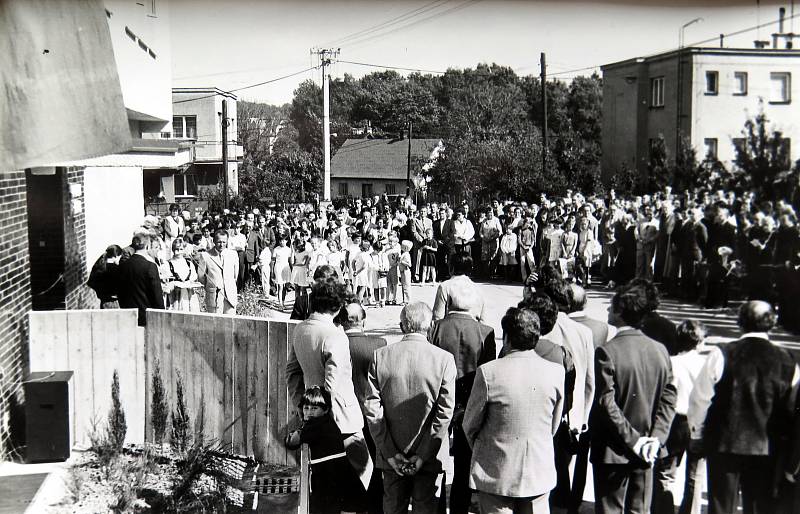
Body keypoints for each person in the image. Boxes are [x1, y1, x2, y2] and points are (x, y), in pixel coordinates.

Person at [687, 300, 799, 514]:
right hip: (766, 447)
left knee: (721, 505)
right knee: (758, 506)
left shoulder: (723, 353)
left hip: (724, 442)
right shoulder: (788, 360)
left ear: (740, 323)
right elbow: (792, 406)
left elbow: (700, 399)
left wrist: (697, 434)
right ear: (772, 324)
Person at [462, 307, 565, 514]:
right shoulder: (556, 372)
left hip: (495, 473)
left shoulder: (489, 372)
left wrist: (489, 450)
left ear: (507, 338)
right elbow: (553, 425)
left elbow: (470, 424)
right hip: (537, 471)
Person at [591, 281, 677, 514]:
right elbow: (669, 399)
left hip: (614, 451)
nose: (608, 310)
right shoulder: (660, 350)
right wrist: (655, 439)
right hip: (648, 449)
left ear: (620, 311)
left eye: (611, 306)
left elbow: (606, 403)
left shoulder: (608, 351)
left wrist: (634, 440)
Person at [364, 302, 456, 514]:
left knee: (393, 508)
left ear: (401, 325)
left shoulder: (381, 356)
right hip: (429, 456)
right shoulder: (444, 360)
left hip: (391, 454)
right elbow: (444, 413)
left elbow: (372, 410)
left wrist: (390, 453)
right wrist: (423, 454)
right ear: (430, 326)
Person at [286, 279, 373, 497]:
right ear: (337, 306)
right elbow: (332, 384)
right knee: (364, 475)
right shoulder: (335, 335)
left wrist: (304, 407)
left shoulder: (300, 330)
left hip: (314, 415)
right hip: (342, 418)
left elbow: (292, 373)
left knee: (328, 483)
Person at [429, 291, 496, 514]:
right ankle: (459, 506)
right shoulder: (485, 332)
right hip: (470, 402)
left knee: (436, 453)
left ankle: (438, 505)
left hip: (440, 399)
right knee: (464, 460)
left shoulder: (436, 327)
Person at [651, 320, 709, 514]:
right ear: (699, 342)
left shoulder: (671, 362)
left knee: (665, 473)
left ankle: (663, 510)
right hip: (699, 420)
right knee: (695, 476)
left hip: (674, 420)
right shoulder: (706, 365)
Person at [338, 301, 388, 514]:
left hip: (344, 415)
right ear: (364, 321)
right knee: (374, 467)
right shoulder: (380, 344)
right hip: (371, 414)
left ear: (341, 321)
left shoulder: (336, 344)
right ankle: (373, 505)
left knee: (348, 466)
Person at [285, 386, 367, 514]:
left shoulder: (315, 425)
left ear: (326, 410)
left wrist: (296, 432)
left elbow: (292, 443)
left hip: (329, 478)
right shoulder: (328, 421)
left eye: (314, 408)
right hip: (339, 475)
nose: (309, 412)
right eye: (306, 408)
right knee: (347, 507)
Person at [118, 233, 165, 326]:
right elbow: (157, 295)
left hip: (128, 314)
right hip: (146, 315)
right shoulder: (150, 266)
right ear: (147, 246)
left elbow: (120, 291)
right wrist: (161, 314)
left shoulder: (123, 265)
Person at [432, 253, 486, 322]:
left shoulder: (445, 287)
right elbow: (482, 321)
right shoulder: (478, 289)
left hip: (450, 330)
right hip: (474, 330)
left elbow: (437, 318)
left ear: (452, 268)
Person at [197, 230, 239, 314]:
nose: (221, 244)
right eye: (219, 242)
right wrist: (211, 285)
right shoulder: (205, 256)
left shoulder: (233, 254)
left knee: (230, 323)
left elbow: (235, 275)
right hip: (214, 296)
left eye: (224, 242)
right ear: (214, 241)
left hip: (230, 295)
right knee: (215, 324)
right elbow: (201, 277)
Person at [166, 238, 200, 312]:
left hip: (188, 294)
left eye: (181, 249)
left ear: (184, 250)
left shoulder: (189, 264)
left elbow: (193, 277)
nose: (178, 252)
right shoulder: (168, 264)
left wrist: (191, 283)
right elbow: (167, 280)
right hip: (175, 295)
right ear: (172, 250)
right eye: (176, 249)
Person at [87, 244, 123, 309]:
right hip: (113, 302)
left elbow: (91, 283)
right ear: (115, 256)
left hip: (103, 301)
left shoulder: (100, 266)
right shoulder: (116, 269)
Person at [272, 236, 292, 308]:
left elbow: (290, 261)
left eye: (283, 241)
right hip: (278, 268)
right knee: (280, 286)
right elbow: (273, 261)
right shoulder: (276, 249)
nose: (282, 242)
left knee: (285, 286)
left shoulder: (289, 250)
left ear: (286, 241)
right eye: (280, 241)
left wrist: (292, 269)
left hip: (286, 268)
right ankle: (280, 303)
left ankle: (283, 302)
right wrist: (272, 272)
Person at [398, 240, 413, 305]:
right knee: (403, 286)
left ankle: (408, 300)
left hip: (406, 271)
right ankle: (404, 300)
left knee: (406, 286)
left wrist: (402, 262)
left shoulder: (406, 255)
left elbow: (409, 264)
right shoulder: (404, 254)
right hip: (402, 271)